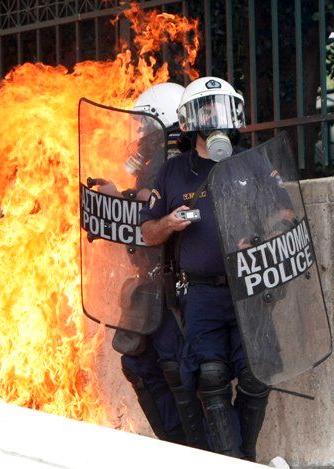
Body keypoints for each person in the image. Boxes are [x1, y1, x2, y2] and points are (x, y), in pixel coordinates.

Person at [139, 76, 270, 461]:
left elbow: (282, 212)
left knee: (256, 374)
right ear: (190, 121)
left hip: (250, 284)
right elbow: (148, 233)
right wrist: (169, 224)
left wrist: (263, 235)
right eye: (207, 109)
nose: (216, 118)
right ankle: (228, 461)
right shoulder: (173, 172)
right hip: (201, 294)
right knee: (209, 377)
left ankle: (245, 457)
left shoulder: (253, 162)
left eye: (223, 109)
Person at [109, 82, 209, 450]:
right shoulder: (147, 162)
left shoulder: (177, 163)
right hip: (147, 283)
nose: (139, 133)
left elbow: (158, 206)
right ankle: (175, 449)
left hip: (175, 285)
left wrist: (122, 198)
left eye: (145, 125)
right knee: (138, 365)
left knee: (174, 367)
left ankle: (196, 453)